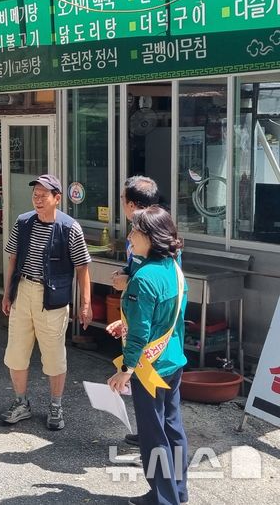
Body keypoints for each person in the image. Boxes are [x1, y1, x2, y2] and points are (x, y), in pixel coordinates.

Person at [106, 205, 189, 505]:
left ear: (151, 237)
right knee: (172, 426)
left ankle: (162, 498)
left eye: (135, 232)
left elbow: (141, 333)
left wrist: (125, 369)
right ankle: (178, 491)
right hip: (173, 359)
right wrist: (125, 322)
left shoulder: (142, 278)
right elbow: (166, 317)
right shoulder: (173, 267)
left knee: (153, 435)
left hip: (149, 367)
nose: (130, 237)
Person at [0, 174, 92, 430]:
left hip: (53, 297)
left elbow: (83, 267)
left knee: (53, 355)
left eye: (44, 195)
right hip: (24, 290)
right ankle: (21, 403)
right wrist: (7, 292)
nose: (38, 200)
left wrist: (86, 303)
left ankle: (55, 405)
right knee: (16, 352)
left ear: (57, 198)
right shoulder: (23, 222)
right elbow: (13, 258)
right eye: (35, 195)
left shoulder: (69, 227)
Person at [110, 175, 160, 447]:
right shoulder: (142, 230)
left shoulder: (153, 231)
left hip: (152, 329)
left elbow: (154, 279)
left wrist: (128, 282)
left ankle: (152, 439)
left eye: (122, 199)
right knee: (144, 388)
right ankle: (147, 432)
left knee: (149, 383)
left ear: (131, 204)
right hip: (137, 312)